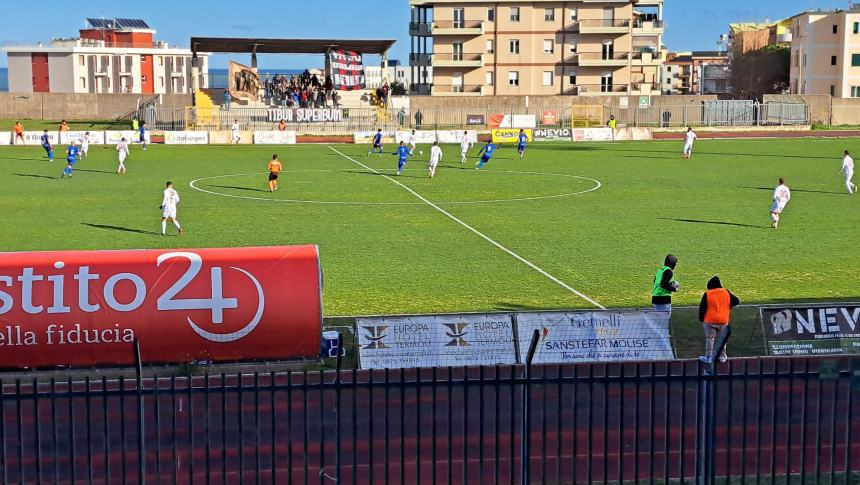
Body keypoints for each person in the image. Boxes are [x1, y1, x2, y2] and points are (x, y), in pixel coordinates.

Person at [697, 276, 739, 364]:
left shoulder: (707, 294)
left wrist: (701, 318)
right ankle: (723, 356)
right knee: (722, 339)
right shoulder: (725, 292)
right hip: (723, 320)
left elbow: (702, 308)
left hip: (709, 320)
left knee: (710, 338)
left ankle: (708, 357)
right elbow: (736, 301)